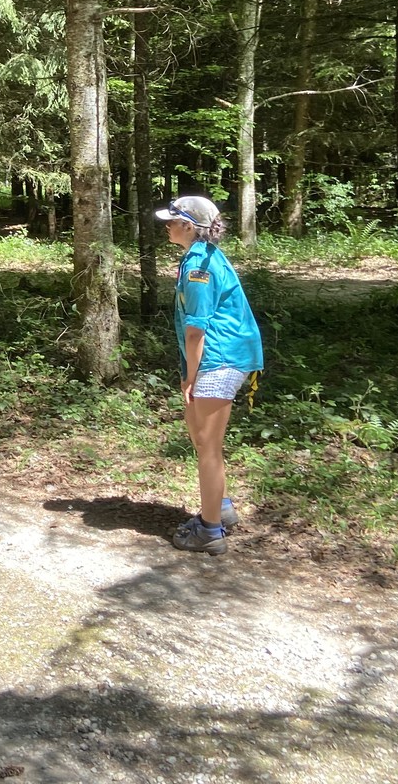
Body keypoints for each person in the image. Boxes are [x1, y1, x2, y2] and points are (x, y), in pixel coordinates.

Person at [156, 195, 264, 555]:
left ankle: (210, 530)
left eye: (172, 221)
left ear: (188, 226)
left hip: (220, 359)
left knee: (208, 446)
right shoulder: (198, 256)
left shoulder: (199, 268)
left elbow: (195, 331)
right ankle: (221, 507)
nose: (167, 226)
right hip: (213, 359)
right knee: (200, 438)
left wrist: (190, 376)